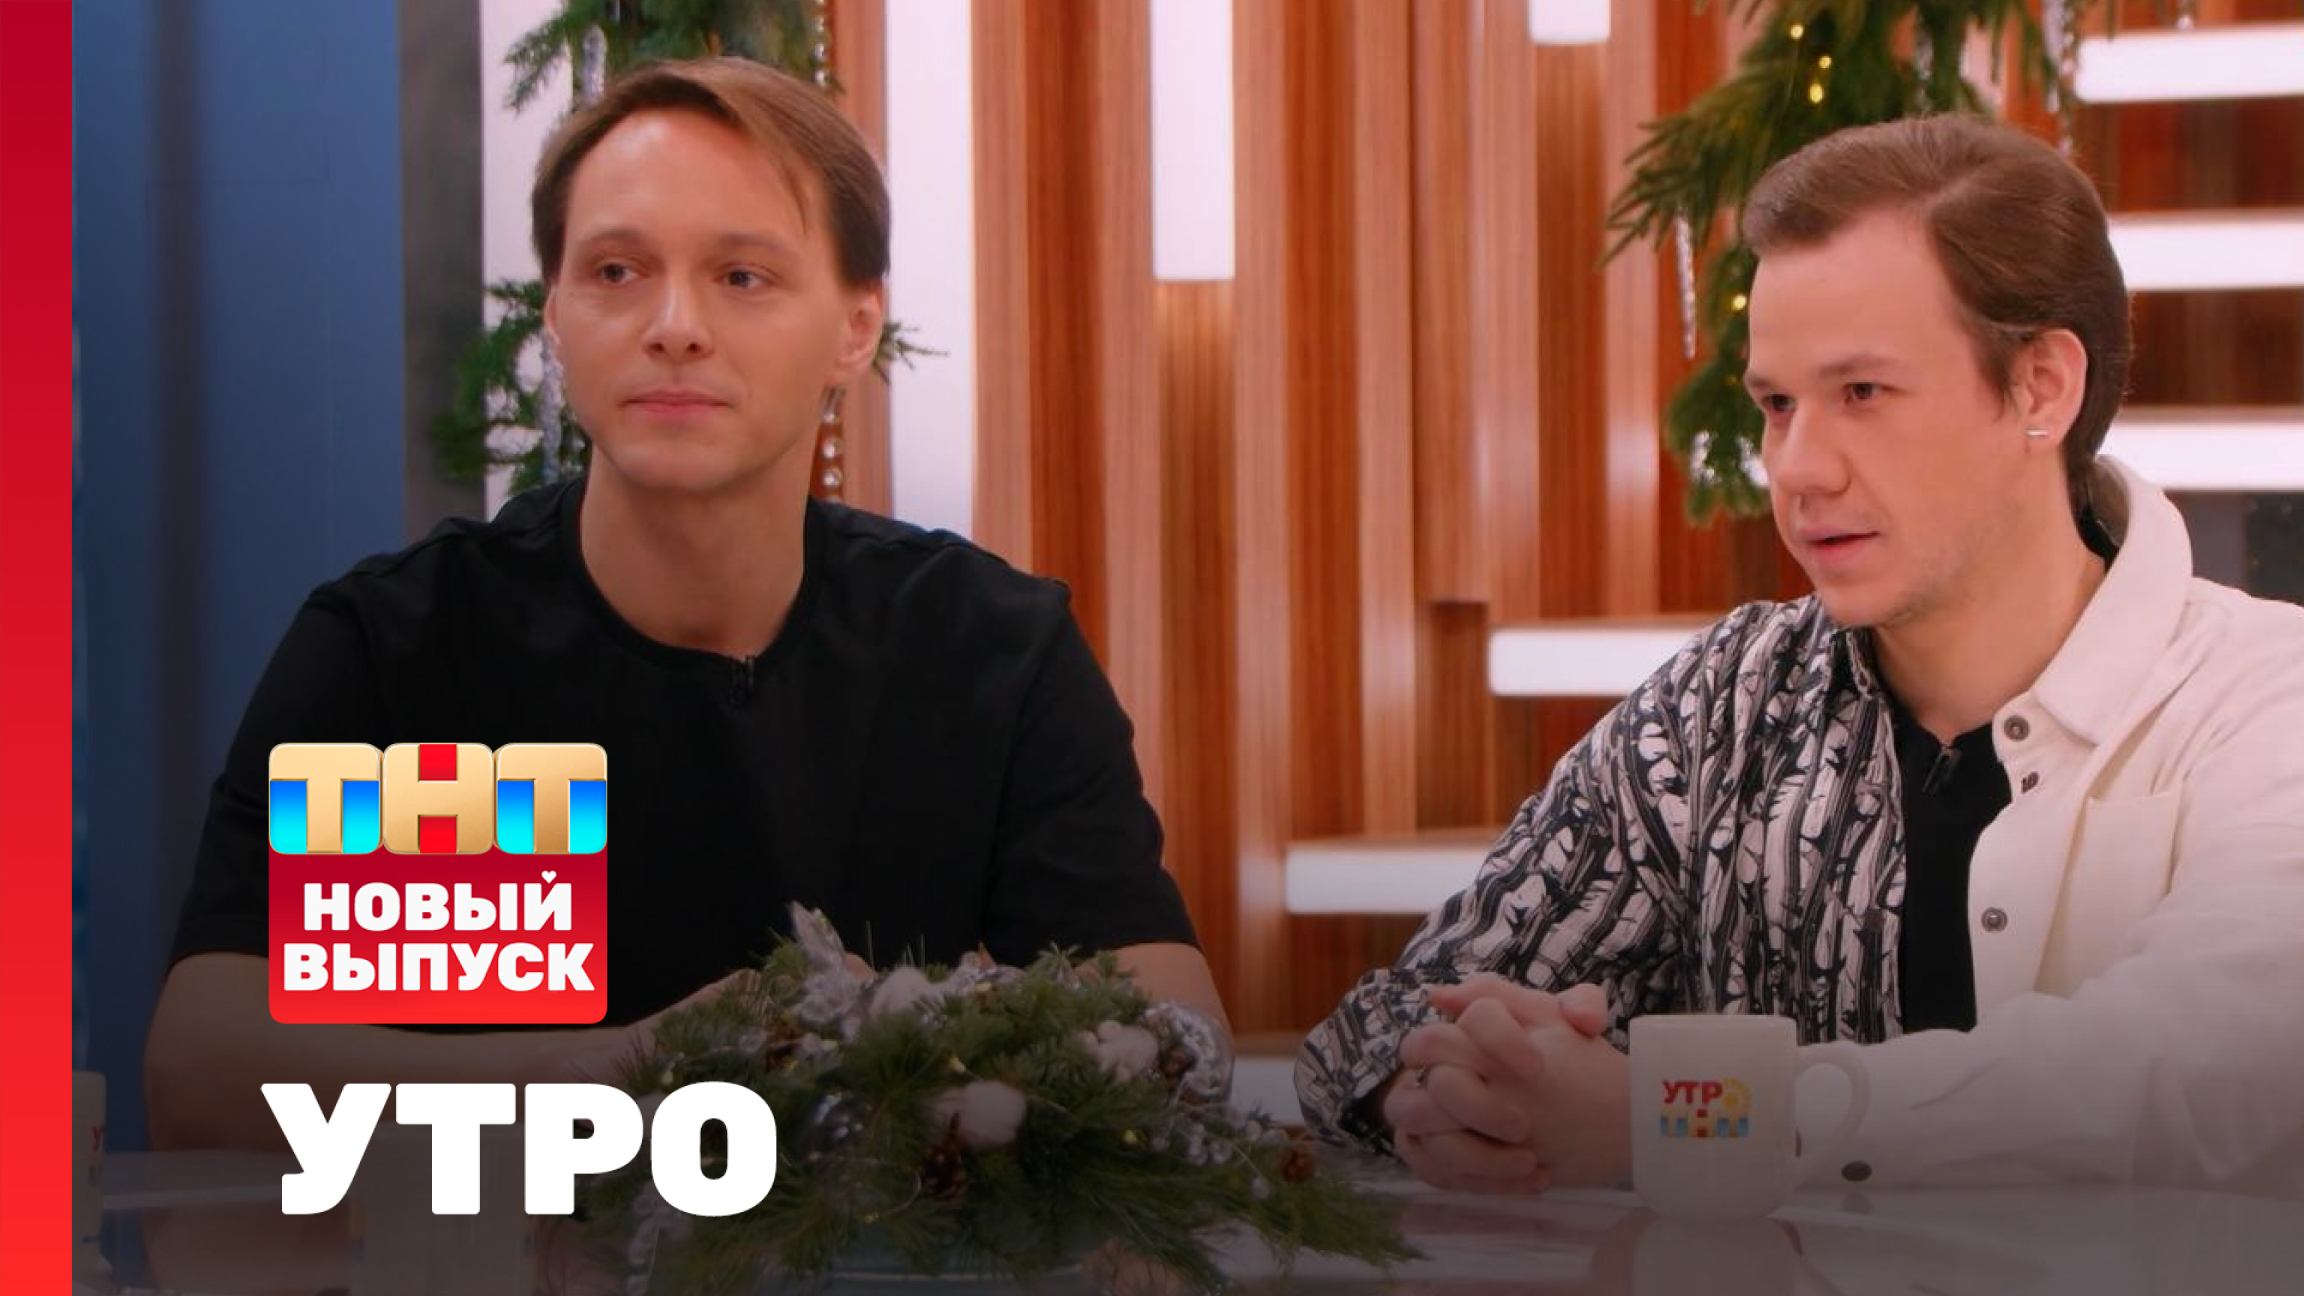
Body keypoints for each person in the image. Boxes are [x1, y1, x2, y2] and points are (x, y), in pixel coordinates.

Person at [147, 58, 1224, 1150]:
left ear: (856, 327)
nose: (674, 326)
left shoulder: (982, 650)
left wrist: (911, 1050)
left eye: (742, 277)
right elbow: (205, 1078)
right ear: (555, 315)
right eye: (616, 271)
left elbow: (1176, 1045)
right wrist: (626, 1070)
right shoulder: (415, 649)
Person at [1298, 114, 2304, 1197]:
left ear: (2042, 388)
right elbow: (1386, 1026)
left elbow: (2203, 1077)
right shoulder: (1726, 706)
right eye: (1778, 404)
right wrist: (1452, 1090)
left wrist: (1682, 1121)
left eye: (1862, 393)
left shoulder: (2260, 699)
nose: (1796, 467)